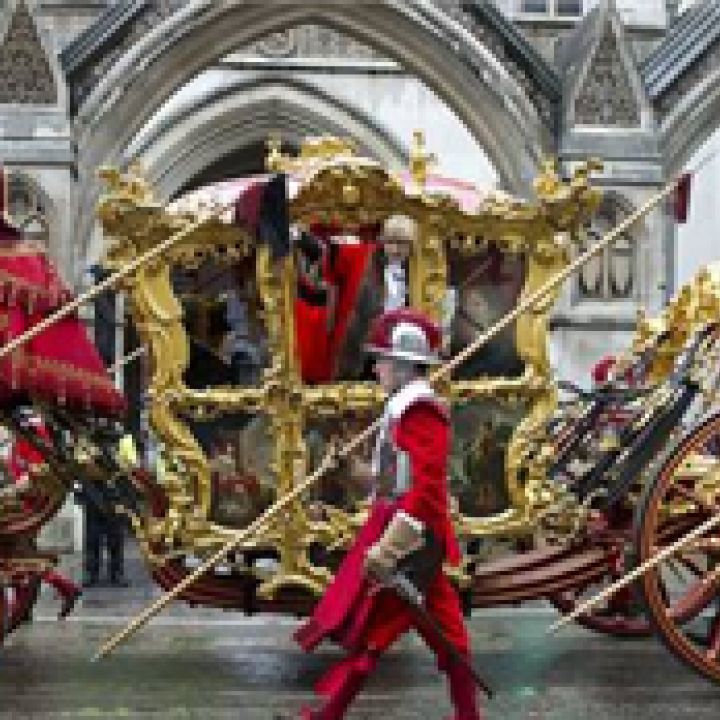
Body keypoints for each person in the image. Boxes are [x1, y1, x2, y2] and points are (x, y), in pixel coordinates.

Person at [294, 307, 484, 720]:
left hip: (413, 538)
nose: (376, 367)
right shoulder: (400, 407)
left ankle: (328, 715)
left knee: (376, 634)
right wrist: (347, 471)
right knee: (440, 638)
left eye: (382, 360)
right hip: (405, 530)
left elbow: (425, 491)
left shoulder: (420, 411)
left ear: (401, 364)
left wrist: (391, 548)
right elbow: (388, 483)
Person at [8, 409, 82, 619]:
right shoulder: (23, 437)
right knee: (20, 556)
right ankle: (28, 603)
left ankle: (60, 588)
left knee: (18, 555)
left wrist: (18, 486)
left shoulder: (34, 435)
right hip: (23, 501)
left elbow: (36, 471)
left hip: (29, 504)